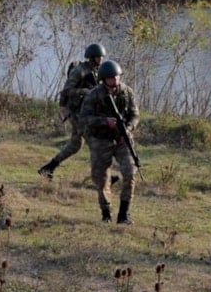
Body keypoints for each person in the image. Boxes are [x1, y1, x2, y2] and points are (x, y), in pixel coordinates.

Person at [78, 60, 139, 224]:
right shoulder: (94, 95)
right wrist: (104, 121)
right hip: (100, 140)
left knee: (130, 172)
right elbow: (84, 119)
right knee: (101, 177)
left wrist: (128, 128)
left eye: (117, 76)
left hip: (122, 139)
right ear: (104, 79)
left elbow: (135, 115)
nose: (115, 80)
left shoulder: (127, 92)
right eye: (112, 77)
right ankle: (106, 212)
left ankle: (124, 214)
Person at [38, 43, 106, 179]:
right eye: (99, 57)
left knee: (76, 145)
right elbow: (67, 90)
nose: (101, 59)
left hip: (86, 111)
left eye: (102, 57)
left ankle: (48, 168)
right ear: (92, 57)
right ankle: (102, 177)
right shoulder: (79, 71)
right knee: (94, 142)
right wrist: (84, 91)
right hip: (76, 112)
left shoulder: (97, 71)